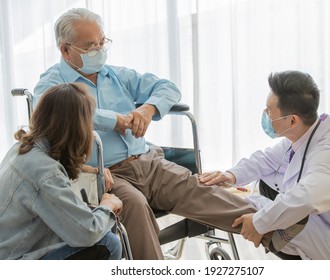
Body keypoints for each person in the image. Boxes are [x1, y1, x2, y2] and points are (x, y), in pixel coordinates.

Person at [33, 8, 303, 260]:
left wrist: (148, 109)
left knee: (196, 189)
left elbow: (167, 87)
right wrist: (112, 120)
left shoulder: (116, 75)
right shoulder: (52, 83)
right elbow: (55, 113)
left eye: (102, 42)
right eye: (91, 46)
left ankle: (278, 224)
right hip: (102, 176)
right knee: (135, 207)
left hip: (146, 161)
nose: (99, 50)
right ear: (66, 49)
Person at [199, 70, 330, 259]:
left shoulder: (328, 154)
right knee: (264, 192)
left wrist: (258, 223)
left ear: (292, 120)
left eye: (269, 110)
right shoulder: (306, 135)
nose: (265, 115)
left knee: (264, 215)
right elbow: (265, 159)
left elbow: (305, 198)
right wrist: (230, 175)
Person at [0, 83, 123, 260]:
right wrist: (108, 205)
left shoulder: (22, 148)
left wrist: (84, 169)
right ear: (78, 128)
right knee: (108, 243)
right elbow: (88, 232)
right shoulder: (46, 174)